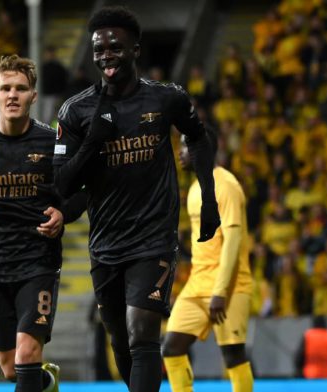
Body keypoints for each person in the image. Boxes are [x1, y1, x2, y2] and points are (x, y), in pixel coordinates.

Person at [53, 6, 221, 391]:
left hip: (154, 237)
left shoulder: (166, 99)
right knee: (120, 342)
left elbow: (198, 135)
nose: (106, 55)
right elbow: (61, 184)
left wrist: (208, 196)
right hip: (106, 242)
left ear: (135, 49)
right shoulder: (76, 110)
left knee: (143, 333)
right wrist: (92, 143)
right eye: (98, 49)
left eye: (115, 47)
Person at [0, 54, 83, 392]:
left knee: (26, 352)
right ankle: (46, 382)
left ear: (33, 96)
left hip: (38, 261)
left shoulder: (54, 144)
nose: (12, 95)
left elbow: (83, 193)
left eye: (21, 89)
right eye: (5, 88)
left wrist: (64, 214)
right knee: (11, 369)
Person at [162, 133, 254, 392]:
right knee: (171, 348)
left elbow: (233, 242)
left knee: (233, 355)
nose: (179, 151)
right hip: (197, 283)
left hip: (230, 286)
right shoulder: (194, 188)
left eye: (184, 145)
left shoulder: (226, 186)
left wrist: (221, 292)